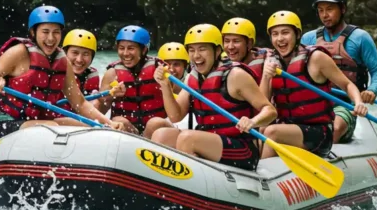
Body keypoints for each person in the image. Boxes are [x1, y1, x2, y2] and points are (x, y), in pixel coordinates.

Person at [0, 6, 120, 143]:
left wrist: (108, 123)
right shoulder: (18, 52)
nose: (51, 38)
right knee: (52, 128)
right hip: (7, 123)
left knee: (89, 128)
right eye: (45, 32)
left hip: (42, 122)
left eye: (56, 32)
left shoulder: (62, 61)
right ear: (33, 32)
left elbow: (80, 103)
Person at [151, 24, 277, 171]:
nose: (196, 55)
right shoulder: (193, 77)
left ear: (217, 51)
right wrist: (165, 86)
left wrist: (252, 121)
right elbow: (175, 116)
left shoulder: (235, 75)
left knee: (187, 138)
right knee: (161, 135)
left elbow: (270, 110)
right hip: (208, 140)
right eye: (191, 50)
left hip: (242, 148)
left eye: (202, 49)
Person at [260, 11, 368, 159]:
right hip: (287, 128)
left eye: (285, 33)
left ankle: (262, 177)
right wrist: (266, 77)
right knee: (261, 129)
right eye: (275, 34)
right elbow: (262, 105)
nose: (280, 39)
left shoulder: (316, 58)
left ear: (297, 35)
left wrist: (358, 102)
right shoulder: (271, 61)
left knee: (271, 132)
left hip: (319, 134)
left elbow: (347, 84)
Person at [301, 0, 377, 142]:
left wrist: (372, 91)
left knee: (336, 127)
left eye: (330, 9)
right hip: (315, 103)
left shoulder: (360, 37)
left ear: (343, 9)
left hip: (346, 104)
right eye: (320, 10)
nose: (325, 15)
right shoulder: (308, 39)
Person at [99, 25, 167, 137]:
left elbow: (179, 98)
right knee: (119, 120)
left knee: (155, 123)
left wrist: (166, 85)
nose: (125, 53)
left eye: (131, 48)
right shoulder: (112, 73)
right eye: (121, 48)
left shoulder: (159, 69)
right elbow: (102, 104)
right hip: (128, 131)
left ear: (144, 49)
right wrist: (111, 95)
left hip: (156, 131)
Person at [221, 17, 270, 82]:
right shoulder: (221, 65)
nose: (230, 47)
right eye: (227, 41)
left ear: (249, 43)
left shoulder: (267, 63)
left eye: (236, 41)